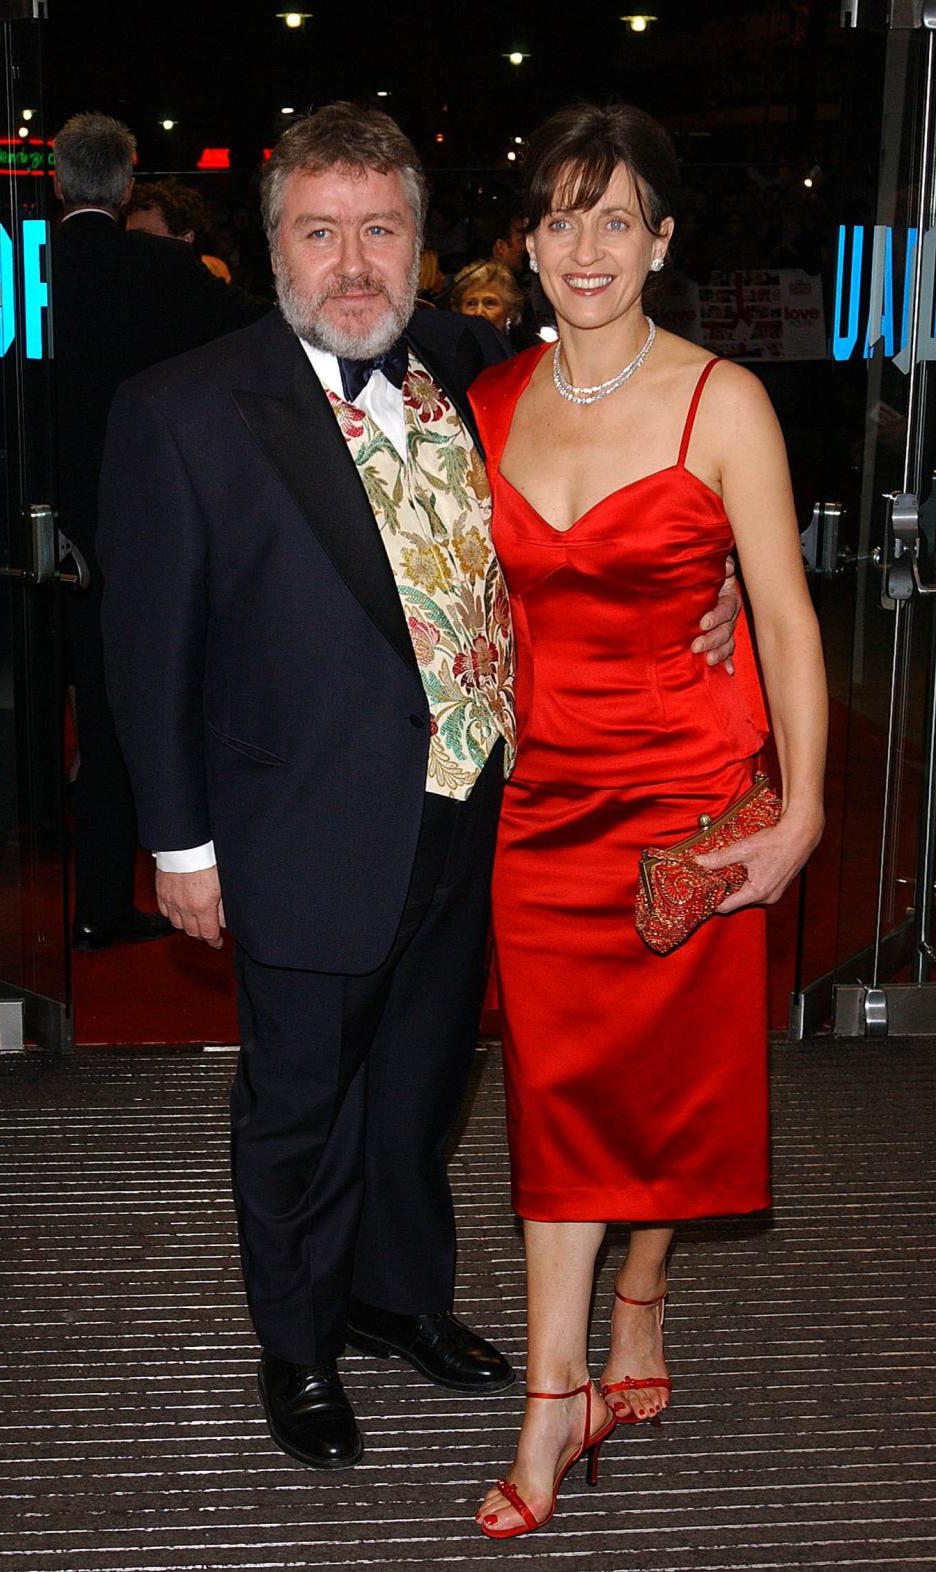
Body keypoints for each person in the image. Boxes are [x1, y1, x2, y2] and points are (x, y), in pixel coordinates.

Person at [96, 102, 740, 1476]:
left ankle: (398, 1300)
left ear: (422, 243)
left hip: (480, 818)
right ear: (270, 245)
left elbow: (602, 496)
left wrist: (718, 582)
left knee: (420, 1087)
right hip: (297, 826)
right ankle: (302, 1342)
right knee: (300, 1102)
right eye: (318, 233)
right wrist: (179, 846)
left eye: (378, 231)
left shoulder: (474, 364)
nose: (351, 264)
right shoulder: (183, 410)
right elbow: (145, 650)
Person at [468, 102, 827, 1538]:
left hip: (686, 802)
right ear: (530, 245)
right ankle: (558, 1387)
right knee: (556, 1087)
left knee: (661, 1079)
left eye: (616, 217)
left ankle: (643, 1292)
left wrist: (800, 818)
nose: (587, 246)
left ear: (662, 241)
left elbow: (791, 622)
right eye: (561, 218)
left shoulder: (720, 401)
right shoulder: (487, 402)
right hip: (543, 808)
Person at [50, 112, 267, 950]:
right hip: (144, 522)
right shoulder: (165, 270)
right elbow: (260, 329)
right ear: (129, 181)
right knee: (117, 715)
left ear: (60, 184)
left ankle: (44, 870)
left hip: (33, 528)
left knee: (45, 712)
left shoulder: (22, 273)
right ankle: (108, 900)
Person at [125, 178, 234, 281]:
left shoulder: (216, 294)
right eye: (130, 237)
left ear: (186, 238)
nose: (134, 246)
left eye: (144, 237)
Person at [450, 259, 525, 337]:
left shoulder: (530, 347)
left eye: (490, 303)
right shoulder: (448, 347)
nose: (479, 313)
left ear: (510, 311)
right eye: (471, 304)